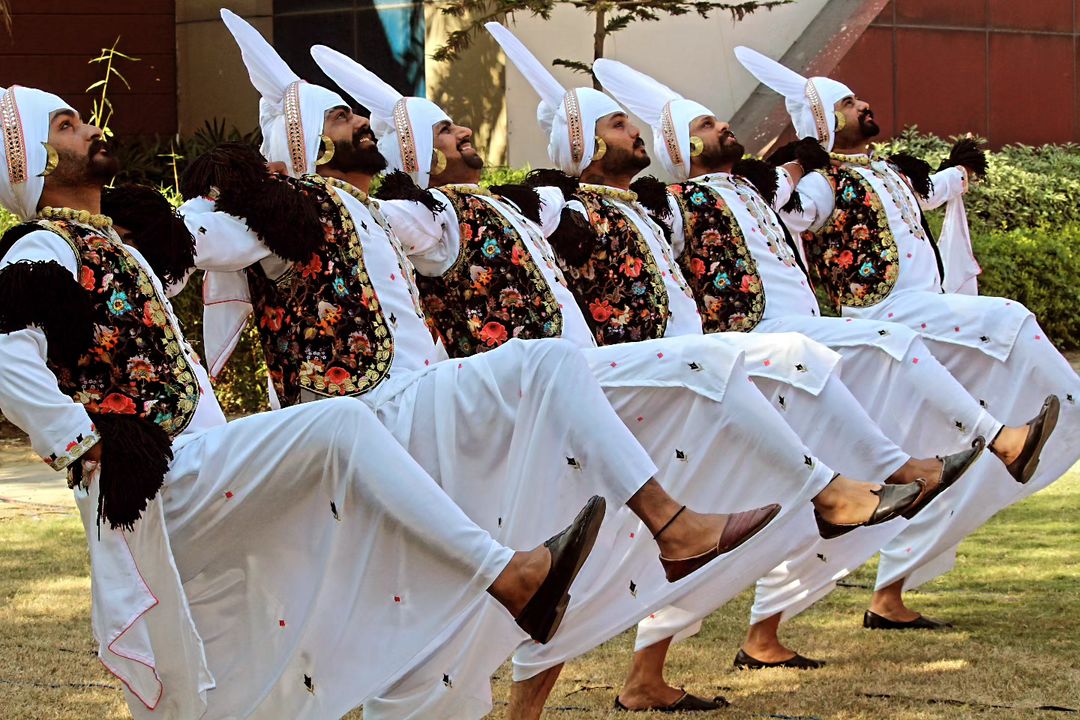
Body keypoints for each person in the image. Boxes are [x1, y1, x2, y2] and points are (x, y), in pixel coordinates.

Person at [308, 43, 931, 717]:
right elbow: (377, 228)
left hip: (590, 390)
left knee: (591, 551)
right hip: (543, 392)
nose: (464, 130)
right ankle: (835, 491)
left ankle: (615, 669)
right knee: (725, 364)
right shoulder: (431, 216)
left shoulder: (526, 207)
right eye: (444, 130)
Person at [0, 84, 605, 719]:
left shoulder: (120, 247)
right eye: (66, 127)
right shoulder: (40, 247)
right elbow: (8, 354)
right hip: (157, 483)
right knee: (341, 426)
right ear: (27, 159)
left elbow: (181, 256)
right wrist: (84, 443)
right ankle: (510, 577)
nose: (90, 130)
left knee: (231, 678)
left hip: (199, 469)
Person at [592, 56, 1060, 666]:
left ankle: (744, 642)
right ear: (682, 145)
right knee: (895, 344)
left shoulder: (753, 189)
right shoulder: (678, 202)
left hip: (794, 352)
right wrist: (571, 195)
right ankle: (965, 449)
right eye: (706, 124)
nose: (724, 128)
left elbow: (797, 189)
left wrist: (949, 173)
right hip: (758, 347)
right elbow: (633, 228)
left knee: (786, 503)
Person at [735, 44, 1080, 628]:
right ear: (823, 124)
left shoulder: (889, 171)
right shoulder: (825, 185)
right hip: (888, 320)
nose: (863, 103)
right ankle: (1036, 426)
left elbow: (928, 194)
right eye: (847, 104)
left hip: (929, 322)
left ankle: (887, 598)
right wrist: (795, 170)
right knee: (1009, 318)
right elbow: (787, 215)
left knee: (943, 461)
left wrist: (959, 171)